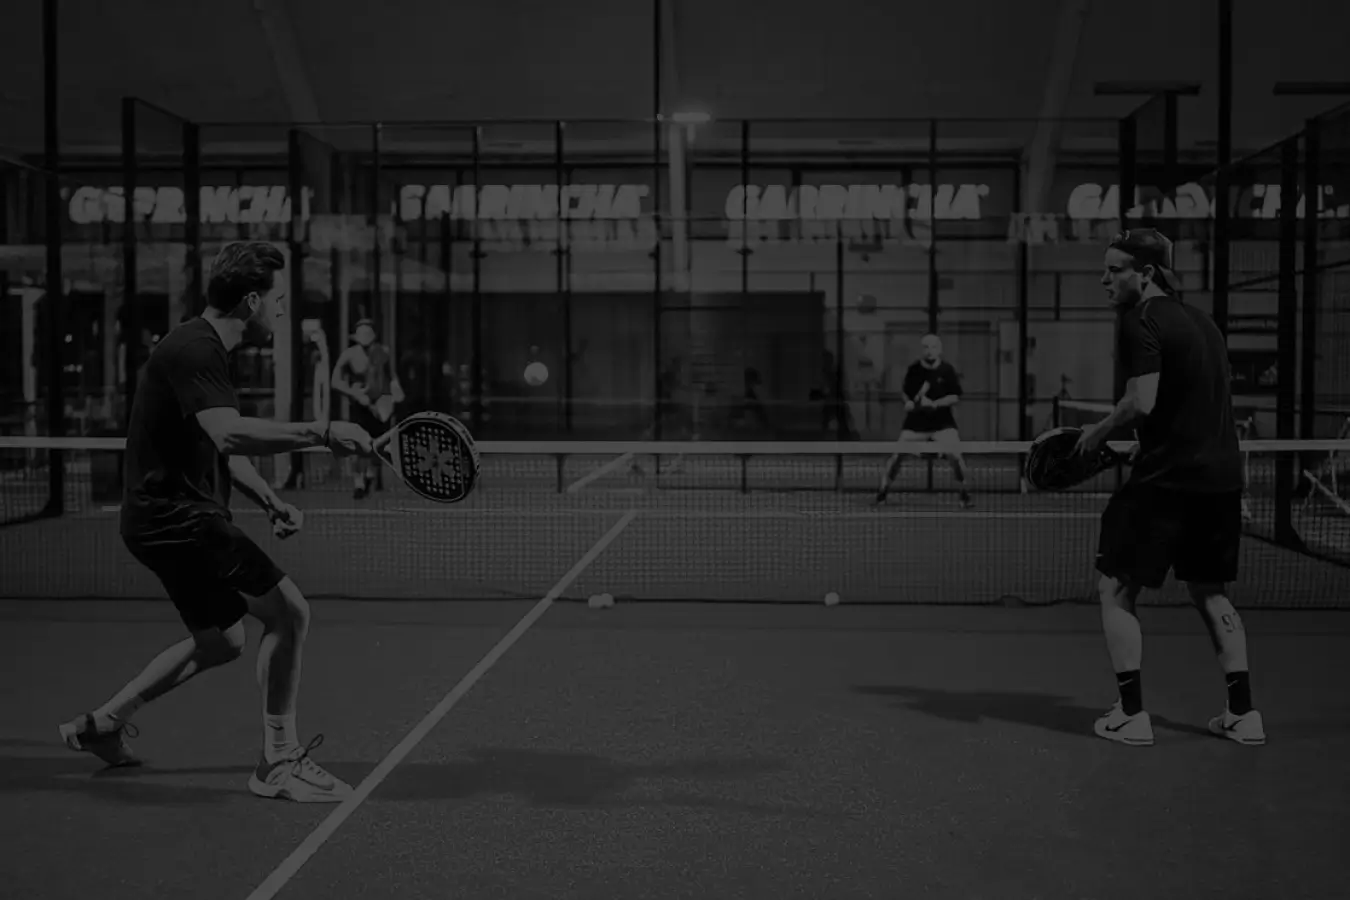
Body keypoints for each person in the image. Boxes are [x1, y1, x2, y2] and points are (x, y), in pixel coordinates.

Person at [58, 241, 375, 801]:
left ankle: (103, 723)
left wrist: (267, 499)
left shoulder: (204, 350)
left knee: (223, 641)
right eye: (277, 301)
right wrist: (322, 432)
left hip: (166, 517)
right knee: (289, 613)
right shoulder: (196, 349)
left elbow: (218, 446)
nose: (281, 312)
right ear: (252, 301)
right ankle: (278, 761)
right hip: (175, 517)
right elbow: (230, 432)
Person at [1078, 228, 1264, 747]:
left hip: (1168, 482)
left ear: (1148, 273)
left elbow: (1143, 401)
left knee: (1115, 586)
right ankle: (1244, 713)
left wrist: (1095, 434)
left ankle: (1132, 715)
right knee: (1209, 591)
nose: (1104, 279)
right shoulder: (1205, 325)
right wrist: (1147, 444)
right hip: (1221, 479)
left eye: (1115, 270)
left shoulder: (1139, 320)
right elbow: (1196, 405)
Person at [875, 333, 972, 508]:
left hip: (943, 424)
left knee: (956, 456)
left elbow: (955, 396)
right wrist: (909, 403)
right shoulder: (914, 370)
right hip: (915, 425)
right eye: (926, 347)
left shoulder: (947, 370)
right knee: (896, 457)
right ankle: (883, 491)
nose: (930, 351)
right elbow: (906, 392)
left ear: (939, 349)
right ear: (922, 350)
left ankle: (964, 494)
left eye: (933, 347)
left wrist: (934, 404)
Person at [331, 318, 404, 499]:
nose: (364, 336)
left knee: (377, 444)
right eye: (361, 333)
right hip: (359, 407)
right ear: (356, 336)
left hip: (380, 405)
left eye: (368, 333)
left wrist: (396, 392)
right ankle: (359, 482)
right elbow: (335, 382)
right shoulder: (348, 355)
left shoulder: (382, 353)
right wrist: (353, 394)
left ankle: (371, 475)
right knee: (358, 443)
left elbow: (392, 377)